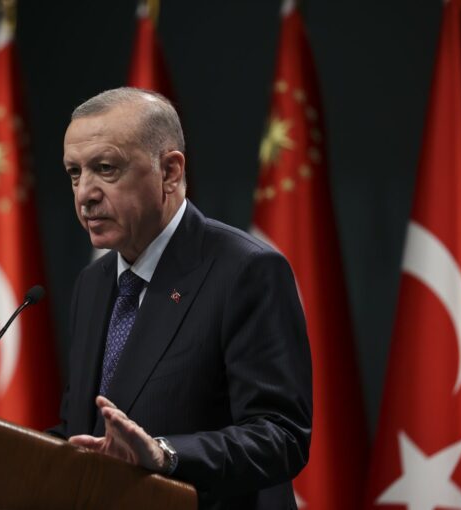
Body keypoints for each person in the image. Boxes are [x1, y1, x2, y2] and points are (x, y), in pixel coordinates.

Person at [49, 87, 312, 510]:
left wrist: (166, 454)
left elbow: (281, 436)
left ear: (170, 171)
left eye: (105, 168)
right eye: (75, 173)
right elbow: (83, 429)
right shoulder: (92, 284)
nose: (85, 194)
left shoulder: (246, 271)